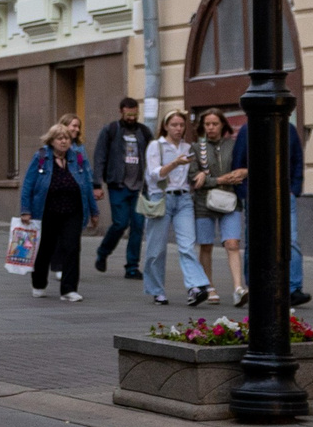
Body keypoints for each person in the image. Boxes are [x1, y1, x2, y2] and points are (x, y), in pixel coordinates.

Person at [230, 115, 312, 306]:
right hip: (256, 195)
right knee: (254, 241)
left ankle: (293, 289)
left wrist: (294, 190)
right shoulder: (247, 130)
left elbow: (297, 160)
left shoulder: (288, 129)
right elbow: (238, 163)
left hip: (284, 194)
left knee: (290, 240)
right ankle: (255, 287)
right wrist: (245, 193)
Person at [17, 122, 98, 302]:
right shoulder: (41, 157)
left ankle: (69, 290)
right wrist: (25, 210)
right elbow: (28, 185)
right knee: (44, 249)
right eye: (59, 138)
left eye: (67, 138)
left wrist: (94, 211)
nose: (63, 142)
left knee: (72, 248)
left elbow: (86, 185)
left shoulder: (77, 158)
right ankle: (38, 284)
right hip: (47, 211)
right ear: (51, 141)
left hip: (72, 211)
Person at [141, 111, 204, 306]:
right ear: (166, 126)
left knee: (187, 245)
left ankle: (195, 287)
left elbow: (199, 169)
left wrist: (202, 174)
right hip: (160, 198)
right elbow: (154, 175)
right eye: (174, 125)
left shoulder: (188, 147)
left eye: (181, 125)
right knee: (156, 248)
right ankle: (157, 290)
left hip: (184, 199)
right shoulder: (155, 146)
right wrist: (176, 162)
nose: (178, 129)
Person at [188, 107, 246, 306]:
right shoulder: (196, 148)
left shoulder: (234, 145)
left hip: (230, 200)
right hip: (204, 202)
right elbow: (193, 178)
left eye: (215, 124)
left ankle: (238, 288)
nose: (211, 128)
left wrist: (242, 173)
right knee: (206, 245)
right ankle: (209, 286)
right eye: (207, 124)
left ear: (223, 125)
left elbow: (246, 164)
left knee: (233, 244)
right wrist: (219, 179)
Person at [91, 99, 150, 279]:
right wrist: (97, 184)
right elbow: (100, 156)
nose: (132, 118)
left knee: (138, 226)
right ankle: (103, 252)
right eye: (128, 115)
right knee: (120, 223)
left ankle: (132, 266)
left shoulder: (144, 132)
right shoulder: (111, 130)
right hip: (118, 185)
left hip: (138, 187)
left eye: (135, 114)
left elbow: (153, 155)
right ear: (121, 112)